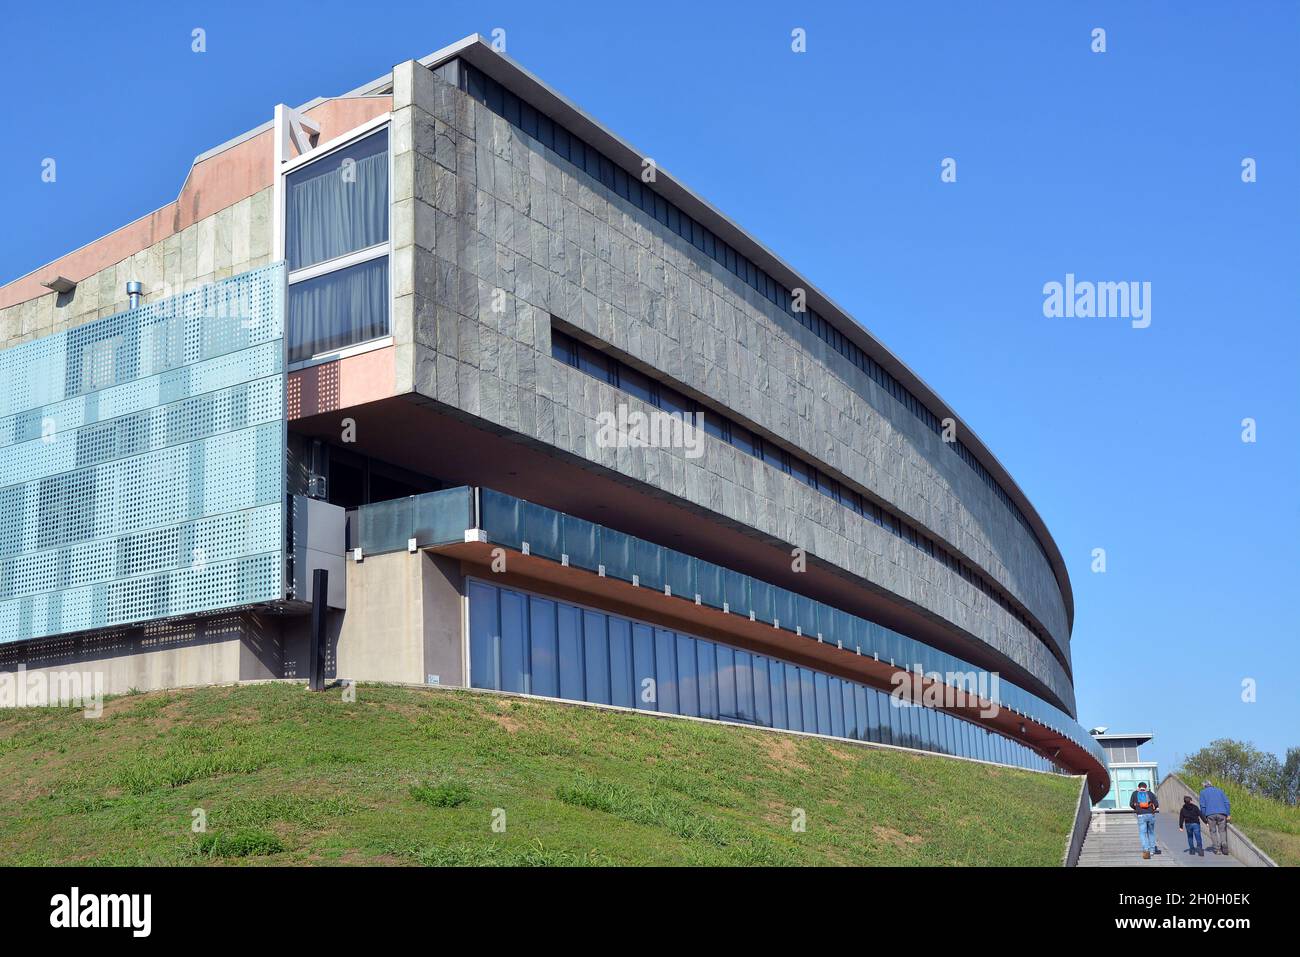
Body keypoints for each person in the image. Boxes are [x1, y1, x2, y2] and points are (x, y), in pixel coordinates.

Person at [1199, 779, 1232, 855]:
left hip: (1210, 815)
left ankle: (1217, 849)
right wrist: (1228, 814)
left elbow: (1202, 806)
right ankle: (1223, 842)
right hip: (1222, 813)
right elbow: (1227, 802)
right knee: (1222, 830)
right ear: (1211, 784)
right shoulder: (1219, 790)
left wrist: (1204, 817)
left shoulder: (1202, 792)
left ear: (1204, 786)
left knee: (1213, 831)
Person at [1130, 782, 1160, 859]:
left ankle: (1146, 850)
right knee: (1151, 833)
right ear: (1146, 787)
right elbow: (1156, 804)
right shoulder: (1150, 793)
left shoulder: (1135, 793)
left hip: (1141, 815)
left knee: (1142, 833)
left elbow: (1131, 804)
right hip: (1150, 814)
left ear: (1138, 787)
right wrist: (1153, 810)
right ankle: (1152, 850)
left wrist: (1137, 809)